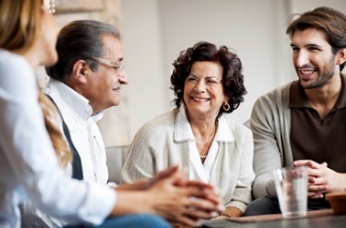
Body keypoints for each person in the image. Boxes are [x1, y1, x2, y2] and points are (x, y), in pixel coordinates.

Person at [0, 1, 221, 227]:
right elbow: (44, 205)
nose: (124, 78)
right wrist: (148, 201)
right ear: (82, 71)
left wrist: (147, 189)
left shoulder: (88, 120)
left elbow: (93, 191)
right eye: (116, 66)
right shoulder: (18, 78)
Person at [121, 41, 255, 219]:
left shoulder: (242, 136)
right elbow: (131, 201)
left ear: (227, 95)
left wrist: (221, 221)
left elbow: (242, 195)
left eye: (211, 81)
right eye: (192, 79)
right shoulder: (152, 134)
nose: (199, 88)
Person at [245, 6, 346, 216]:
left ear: (341, 55)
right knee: (259, 207)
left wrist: (339, 180)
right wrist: (293, 181)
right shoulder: (268, 106)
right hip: (298, 206)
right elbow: (261, 184)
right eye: (295, 49)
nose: (300, 61)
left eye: (313, 49)